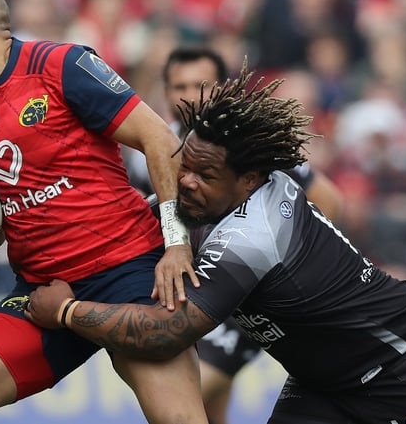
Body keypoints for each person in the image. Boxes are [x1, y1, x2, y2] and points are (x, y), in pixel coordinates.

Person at [26, 61, 406, 424]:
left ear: (249, 180)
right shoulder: (204, 200)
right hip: (324, 384)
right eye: (185, 165)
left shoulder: (253, 236)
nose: (185, 181)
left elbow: (165, 333)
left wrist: (67, 312)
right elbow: (118, 229)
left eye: (205, 175)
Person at [0, 0, 207, 423]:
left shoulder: (61, 65)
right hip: (42, 294)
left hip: (129, 273)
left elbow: (159, 139)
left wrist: (176, 243)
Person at [145, 45, 344, 424]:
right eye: (178, 86)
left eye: (200, 85)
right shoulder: (157, 150)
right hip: (198, 292)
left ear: (221, 89)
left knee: (185, 400)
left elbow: (329, 200)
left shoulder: (246, 146)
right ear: (165, 92)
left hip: (247, 301)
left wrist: (294, 268)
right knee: (208, 412)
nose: (189, 95)